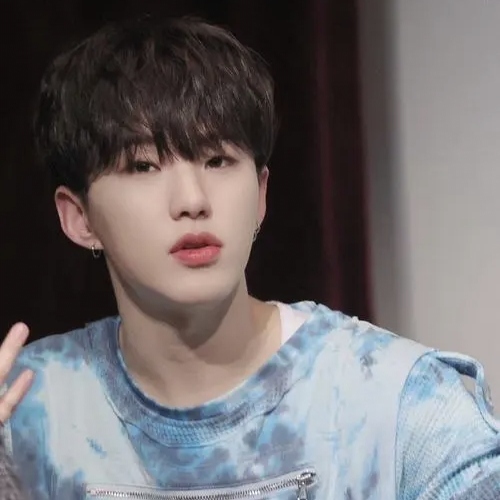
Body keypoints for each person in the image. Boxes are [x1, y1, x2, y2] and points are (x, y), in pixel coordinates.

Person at [1, 15, 499, 499]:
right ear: (79, 218)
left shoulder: (398, 404)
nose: (192, 200)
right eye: (143, 166)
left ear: (260, 194)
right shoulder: (26, 411)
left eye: (218, 160)